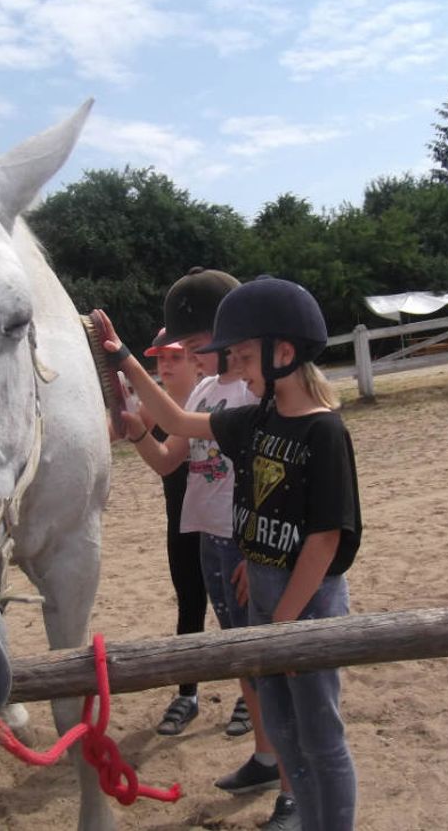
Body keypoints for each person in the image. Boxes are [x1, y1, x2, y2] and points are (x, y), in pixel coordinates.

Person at [92, 275, 362, 831]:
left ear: (283, 353)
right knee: (284, 727)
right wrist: (122, 359)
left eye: (243, 357)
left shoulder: (323, 433)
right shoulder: (257, 419)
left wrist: (282, 621)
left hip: (302, 607)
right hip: (266, 599)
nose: (236, 369)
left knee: (319, 733)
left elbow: (326, 537)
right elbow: (178, 424)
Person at [117, 269, 296, 830]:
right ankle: (267, 758)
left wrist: (254, 551)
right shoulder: (202, 389)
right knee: (242, 657)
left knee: (270, 665)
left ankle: (292, 787)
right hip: (211, 542)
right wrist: (136, 432)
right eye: (189, 347)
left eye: (200, 346)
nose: (195, 356)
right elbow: (171, 459)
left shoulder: (251, 392)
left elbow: (274, 478)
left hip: (245, 544)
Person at [132, 329, 210, 736]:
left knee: (240, 615)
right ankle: (188, 693)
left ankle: (251, 694)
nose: (163, 364)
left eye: (173, 356)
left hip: (222, 525)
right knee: (190, 605)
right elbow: (125, 429)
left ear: (197, 358)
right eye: (159, 356)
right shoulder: (154, 409)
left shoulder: (212, 401)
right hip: (180, 522)